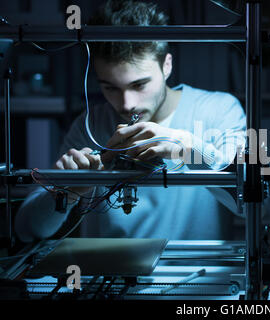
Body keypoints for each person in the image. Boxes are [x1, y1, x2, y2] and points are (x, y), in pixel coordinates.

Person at [14, 0, 246, 243]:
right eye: (110, 87)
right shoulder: (91, 126)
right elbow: (28, 229)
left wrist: (190, 148)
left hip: (197, 274)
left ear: (166, 65)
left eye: (139, 85)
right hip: (109, 275)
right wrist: (68, 192)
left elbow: (256, 207)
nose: (126, 104)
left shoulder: (219, 111)